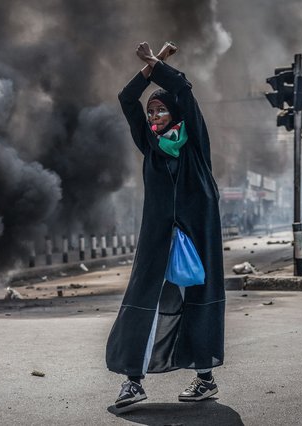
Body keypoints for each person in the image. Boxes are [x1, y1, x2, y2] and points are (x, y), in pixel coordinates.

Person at [106, 42, 225, 408]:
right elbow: (127, 100)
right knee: (143, 300)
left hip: (197, 233)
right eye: (152, 111)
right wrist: (146, 72)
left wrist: (158, 64)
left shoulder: (194, 143)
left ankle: (204, 378)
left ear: (174, 114)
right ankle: (132, 381)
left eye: (161, 110)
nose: (154, 115)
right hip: (158, 236)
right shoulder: (151, 145)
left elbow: (184, 91)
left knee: (197, 300)